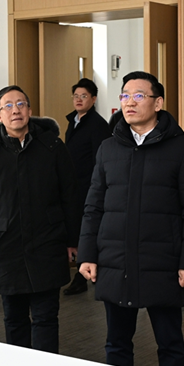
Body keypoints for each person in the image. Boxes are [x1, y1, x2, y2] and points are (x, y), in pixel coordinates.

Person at [77, 71, 184, 366]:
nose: (130, 102)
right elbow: (93, 207)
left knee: (170, 344)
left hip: (163, 262)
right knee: (117, 343)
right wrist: (87, 254)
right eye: (125, 96)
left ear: (158, 103)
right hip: (115, 260)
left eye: (139, 96)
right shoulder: (108, 149)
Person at [0, 86, 79, 353]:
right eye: (8, 106)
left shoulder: (52, 146)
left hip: (47, 244)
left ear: (29, 110)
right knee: (14, 319)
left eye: (21, 104)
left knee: (46, 318)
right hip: (5, 247)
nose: (15, 110)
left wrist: (72, 240)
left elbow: (70, 195)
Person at [63, 78, 111, 296]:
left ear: (93, 99)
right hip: (72, 186)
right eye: (76, 96)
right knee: (75, 228)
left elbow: (100, 161)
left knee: (87, 230)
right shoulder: (73, 121)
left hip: (88, 186)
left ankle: (83, 276)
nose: (79, 100)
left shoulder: (98, 125)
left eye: (84, 96)